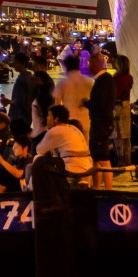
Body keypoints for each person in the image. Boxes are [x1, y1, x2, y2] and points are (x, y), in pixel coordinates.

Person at [34, 105, 93, 187]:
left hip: (72, 167)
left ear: (56, 119)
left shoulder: (55, 131)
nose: (47, 118)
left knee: (37, 158)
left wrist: (48, 132)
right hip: (87, 167)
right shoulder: (73, 128)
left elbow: (39, 150)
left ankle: (37, 192)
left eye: (49, 116)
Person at [86, 53, 116, 189]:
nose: (88, 67)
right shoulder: (106, 79)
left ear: (96, 64)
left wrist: (87, 103)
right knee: (96, 158)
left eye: (90, 64)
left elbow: (100, 103)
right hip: (103, 122)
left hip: (100, 123)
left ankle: (108, 189)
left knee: (103, 159)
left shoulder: (103, 81)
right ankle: (97, 187)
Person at [53, 54, 94, 141]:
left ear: (66, 67)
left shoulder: (62, 83)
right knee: (85, 147)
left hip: (69, 120)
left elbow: (56, 104)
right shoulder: (89, 82)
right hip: (86, 120)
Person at [0, 52, 34, 136]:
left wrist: (8, 101)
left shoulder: (22, 79)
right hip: (27, 117)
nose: (14, 65)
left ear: (22, 64)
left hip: (19, 117)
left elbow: (20, 101)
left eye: (16, 63)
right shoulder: (29, 77)